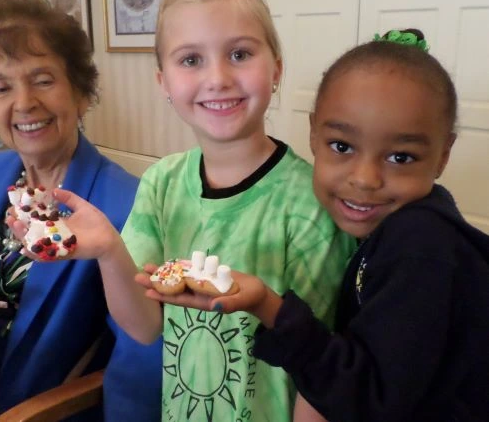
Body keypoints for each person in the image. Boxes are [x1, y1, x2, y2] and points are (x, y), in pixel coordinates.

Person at [27, 0, 355, 422]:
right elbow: (145, 326)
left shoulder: (309, 202)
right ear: (163, 81)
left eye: (239, 54)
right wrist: (108, 250)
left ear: (276, 68)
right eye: (191, 60)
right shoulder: (162, 182)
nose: (218, 78)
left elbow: (322, 365)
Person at [141, 29, 489, 421]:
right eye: (342, 147)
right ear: (313, 133)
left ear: (442, 156)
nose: (365, 178)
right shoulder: (393, 233)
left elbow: (365, 397)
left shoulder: (423, 247)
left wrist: (268, 305)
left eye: (401, 158)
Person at [0, 0, 161, 421]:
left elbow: (142, 354)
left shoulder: (128, 204)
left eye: (43, 79)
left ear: (81, 93)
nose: (24, 102)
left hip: (18, 406)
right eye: (2, 87)